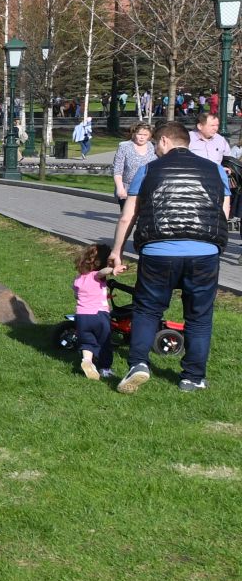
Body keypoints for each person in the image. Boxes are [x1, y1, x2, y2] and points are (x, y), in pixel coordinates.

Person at [108, 121, 228, 393]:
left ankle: (138, 363)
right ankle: (193, 377)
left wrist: (117, 251)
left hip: (158, 249)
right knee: (198, 316)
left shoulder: (148, 170)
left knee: (148, 309)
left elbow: (129, 215)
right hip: (204, 251)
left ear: (163, 141)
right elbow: (224, 212)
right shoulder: (216, 170)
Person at [72, 242, 116, 381]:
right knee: (104, 343)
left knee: (87, 342)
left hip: (81, 316)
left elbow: (76, 295)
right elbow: (101, 273)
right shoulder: (96, 275)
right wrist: (112, 269)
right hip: (99, 315)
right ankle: (105, 369)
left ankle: (87, 361)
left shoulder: (78, 279)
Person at [112, 124, 155, 208]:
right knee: (127, 218)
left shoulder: (153, 147)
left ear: (149, 135)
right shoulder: (124, 147)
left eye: (145, 135)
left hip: (148, 188)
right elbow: (117, 169)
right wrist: (120, 187)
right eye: (139, 134)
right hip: (128, 188)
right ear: (134, 134)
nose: (142, 137)